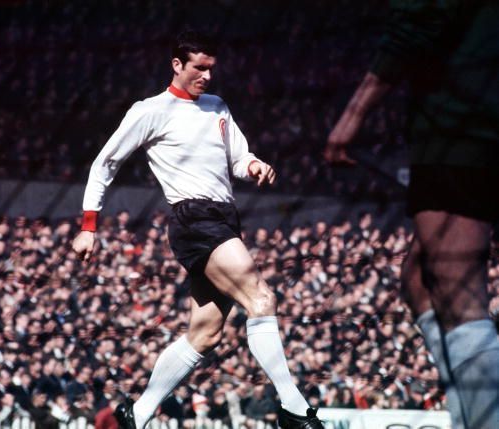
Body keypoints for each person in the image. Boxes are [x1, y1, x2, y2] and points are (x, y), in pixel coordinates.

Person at [72, 30, 324, 429]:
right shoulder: (150, 110)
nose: (207, 75)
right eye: (199, 68)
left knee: (205, 334)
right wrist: (89, 226)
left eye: (211, 68)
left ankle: (135, 415)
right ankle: (293, 408)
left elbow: (237, 158)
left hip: (224, 217)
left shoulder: (217, 106)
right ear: (177, 65)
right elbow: (104, 164)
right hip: (193, 219)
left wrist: (253, 165)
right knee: (261, 298)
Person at [326, 2, 499, 428]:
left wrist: (354, 114)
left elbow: (420, 20)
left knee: (461, 296)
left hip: (462, 126)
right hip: (468, 121)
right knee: (419, 280)